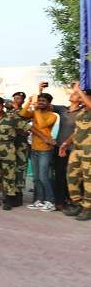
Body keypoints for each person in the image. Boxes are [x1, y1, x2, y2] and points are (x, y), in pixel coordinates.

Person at [48, 82, 84, 210]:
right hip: (60, 148)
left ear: (81, 99)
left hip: (73, 149)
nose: (72, 95)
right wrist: (40, 90)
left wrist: (66, 143)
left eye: (76, 94)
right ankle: (60, 202)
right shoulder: (63, 109)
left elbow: (77, 132)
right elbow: (46, 104)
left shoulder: (83, 113)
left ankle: (74, 201)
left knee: (74, 177)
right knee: (60, 176)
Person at [58, 83, 91, 221]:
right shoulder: (83, 112)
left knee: (89, 181)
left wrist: (78, 89)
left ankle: (88, 208)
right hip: (76, 151)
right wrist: (65, 143)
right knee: (71, 177)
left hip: (88, 152)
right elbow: (77, 131)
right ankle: (77, 204)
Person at [20, 93, 57, 211]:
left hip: (45, 150)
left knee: (43, 177)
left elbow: (41, 124)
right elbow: (22, 114)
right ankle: (40, 200)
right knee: (36, 177)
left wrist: (36, 110)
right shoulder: (35, 113)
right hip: (34, 148)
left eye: (43, 101)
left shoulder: (52, 115)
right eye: (39, 100)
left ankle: (50, 201)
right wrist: (29, 102)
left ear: (49, 103)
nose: (40, 102)